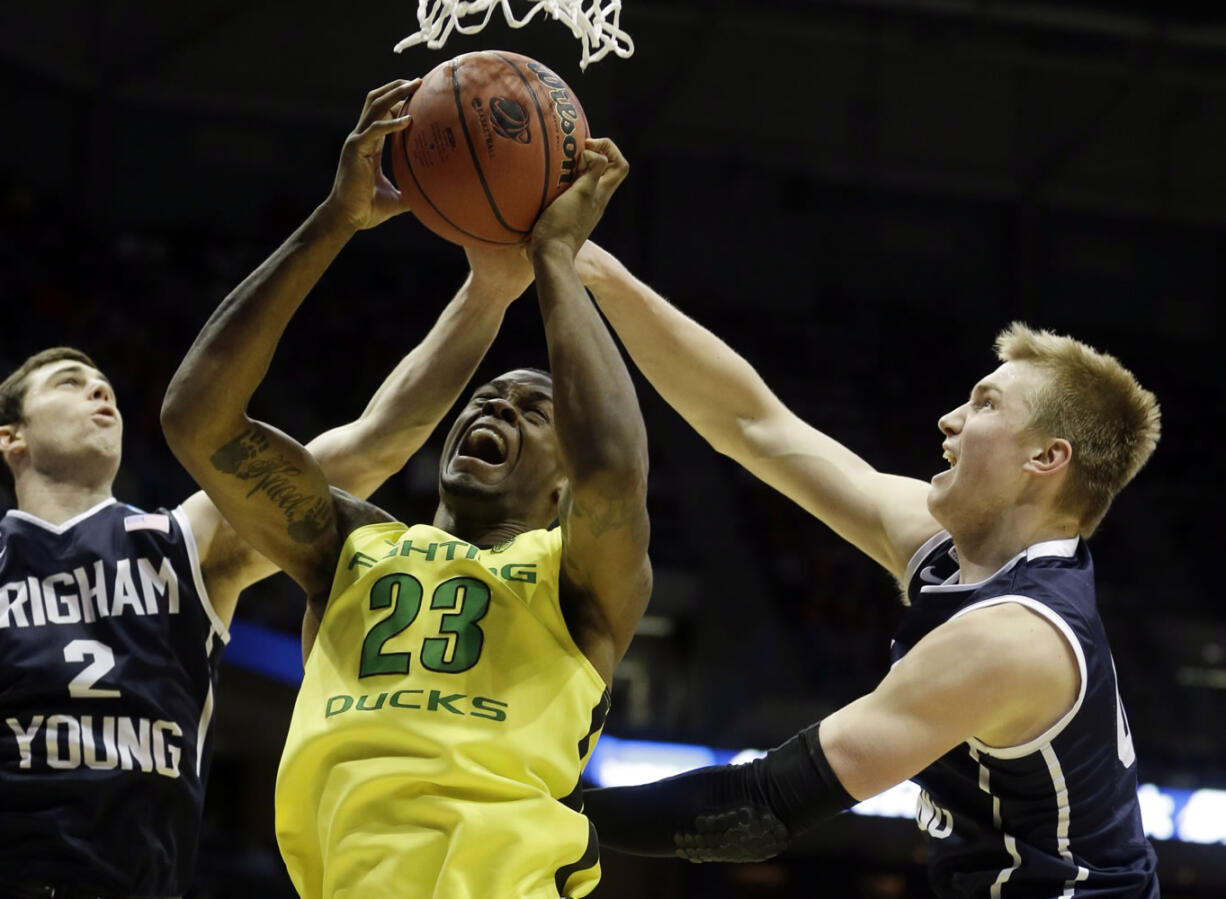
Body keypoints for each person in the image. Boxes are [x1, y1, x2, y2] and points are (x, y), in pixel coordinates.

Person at [159, 79, 650, 899]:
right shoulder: (350, 546)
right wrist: (335, 220)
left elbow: (614, 469)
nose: (496, 405)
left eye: (536, 411)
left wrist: (555, 259)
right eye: (489, 398)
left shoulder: (576, 580)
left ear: (562, 489)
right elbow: (198, 421)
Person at [0, 146, 533, 899]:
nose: (100, 393)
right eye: (69, 382)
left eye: (105, 383)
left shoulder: (183, 542)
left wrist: (490, 292)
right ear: (10, 437)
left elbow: (374, 440)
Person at [573, 242, 1161, 898]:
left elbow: (759, 805)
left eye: (987, 404)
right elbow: (752, 423)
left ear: (1047, 457)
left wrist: (541, 811)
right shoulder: (957, 552)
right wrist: (594, 268)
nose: (951, 420)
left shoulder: (1013, 639)